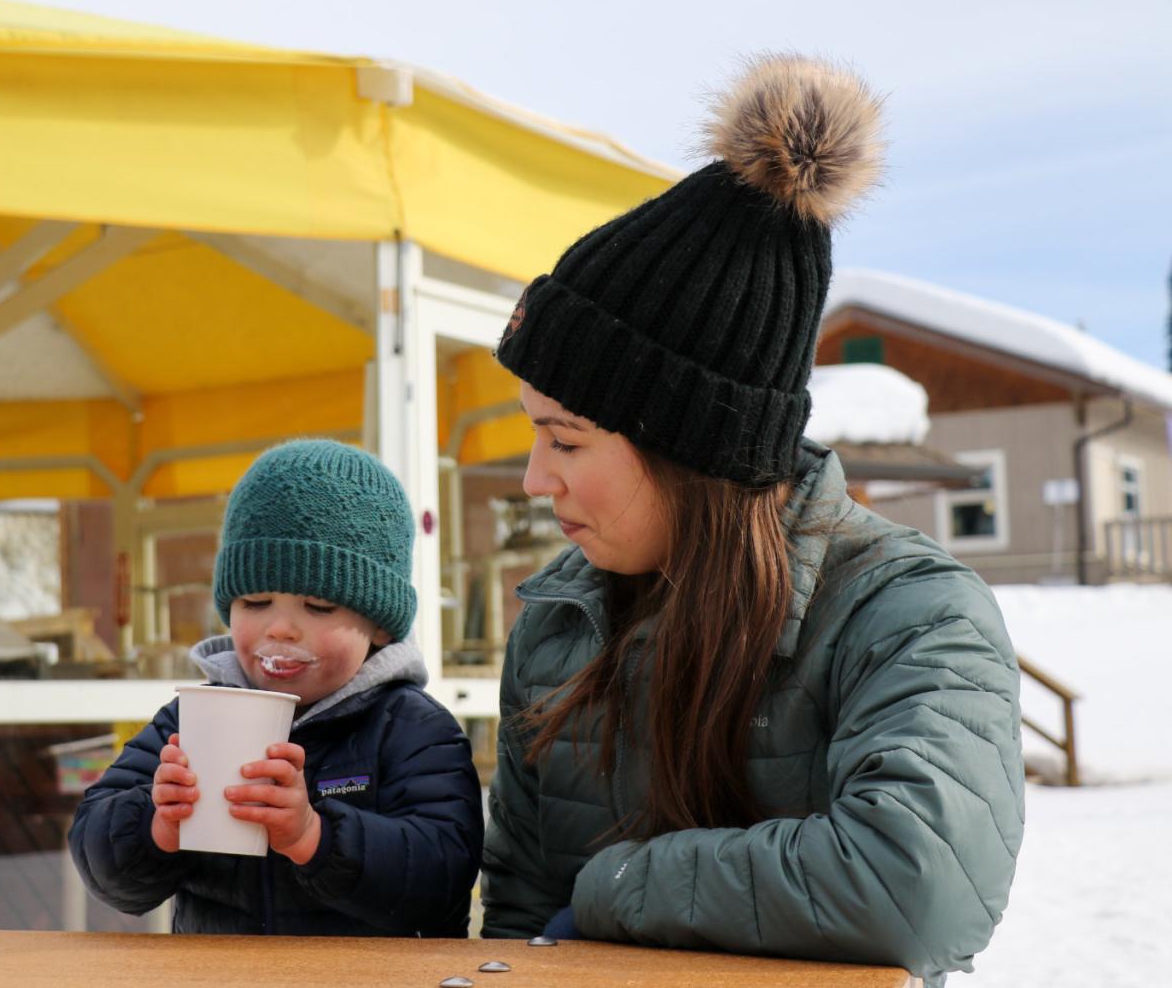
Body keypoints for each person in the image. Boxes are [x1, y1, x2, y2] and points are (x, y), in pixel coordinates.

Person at [480, 55, 1023, 987]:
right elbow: (521, 921)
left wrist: (620, 887)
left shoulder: (912, 616)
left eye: (565, 442)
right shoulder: (557, 625)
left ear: (688, 449)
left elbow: (920, 883)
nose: (535, 480)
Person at [69, 439, 483, 936]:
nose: (280, 629)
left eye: (319, 606)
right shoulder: (190, 719)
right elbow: (100, 860)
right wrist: (156, 826)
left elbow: (445, 878)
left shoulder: (413, 728)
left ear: (380, 625)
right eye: (256, 601)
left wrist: (315, 835)